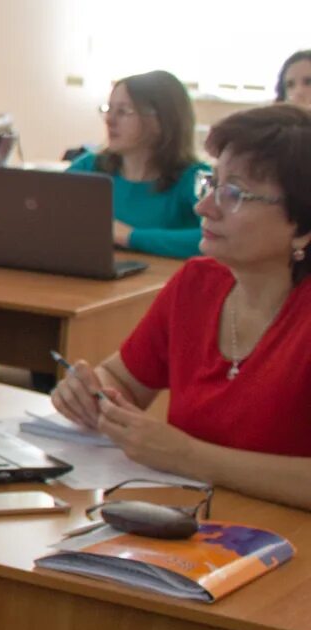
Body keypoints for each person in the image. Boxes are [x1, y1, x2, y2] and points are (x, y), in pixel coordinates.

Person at [52, 104, 311, 510]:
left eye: (235, 194)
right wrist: (92, 393)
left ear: (304, 226)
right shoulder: (198, 283)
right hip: (189, 520)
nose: (204, 207)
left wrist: (188, 456)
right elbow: (122, 379)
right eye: (211, 184)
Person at [68, 70, 210, 258]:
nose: (109, 121)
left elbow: (221, 239)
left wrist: (130, 237)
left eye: (123, 111)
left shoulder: (195, 177)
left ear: (161, 120)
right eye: (108, 109)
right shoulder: (91, 166)